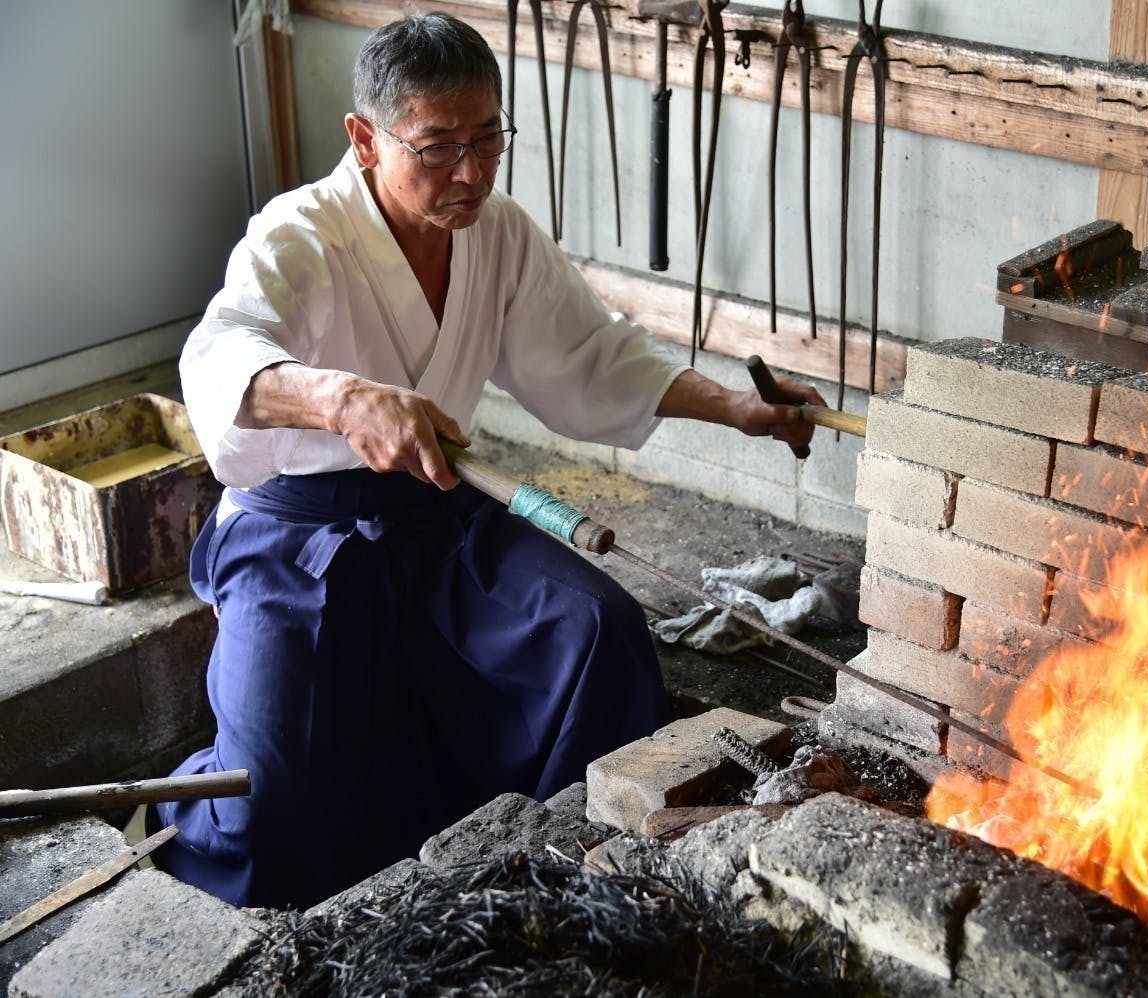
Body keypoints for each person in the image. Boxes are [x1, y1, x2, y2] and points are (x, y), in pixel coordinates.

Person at [153, 10, 823, 909]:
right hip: (298, 535)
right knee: (277, 790)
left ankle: (556, 879)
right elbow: (219, 355)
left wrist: (739, 407)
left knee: (595, 632)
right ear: (364, 138)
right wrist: (342, 398)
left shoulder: (496, 230)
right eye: (436, 147)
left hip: (437, 508)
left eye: (489, 139)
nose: (469, 172)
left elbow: (595, 354)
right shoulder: (300, 235)